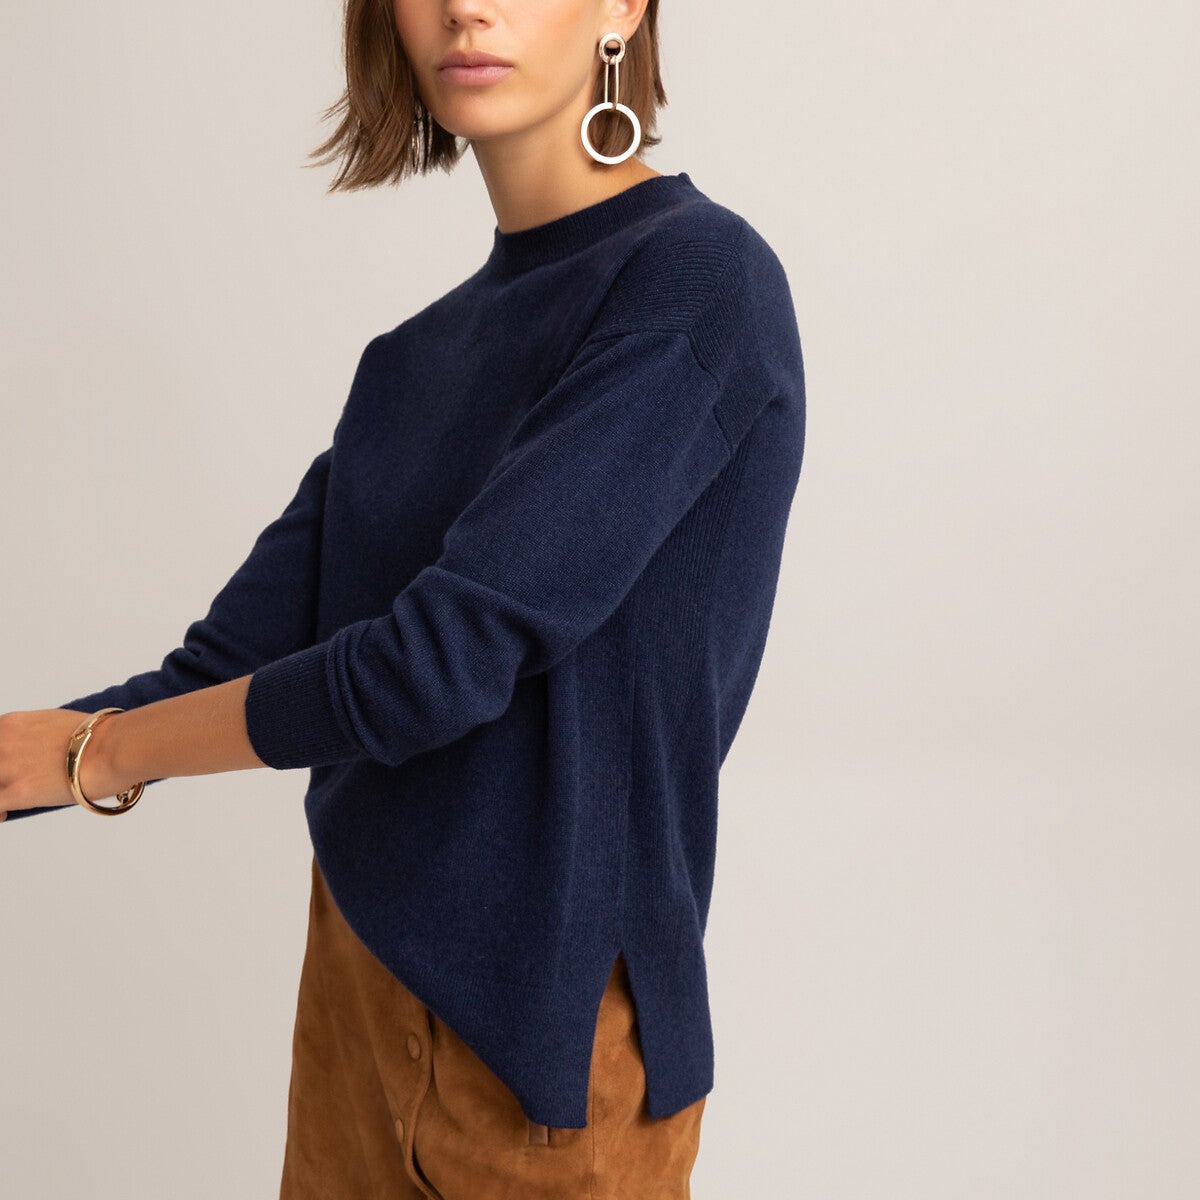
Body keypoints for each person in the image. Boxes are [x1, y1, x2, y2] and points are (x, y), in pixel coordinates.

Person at [1, 0, 806, 1196]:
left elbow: (436, 663)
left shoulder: (697, 284)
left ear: (625, 7)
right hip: (356, 998)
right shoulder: (411, 360)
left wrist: (101, 757)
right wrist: (61, 752)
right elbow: (224, 663)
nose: (466, 7)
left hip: (548, 1054)